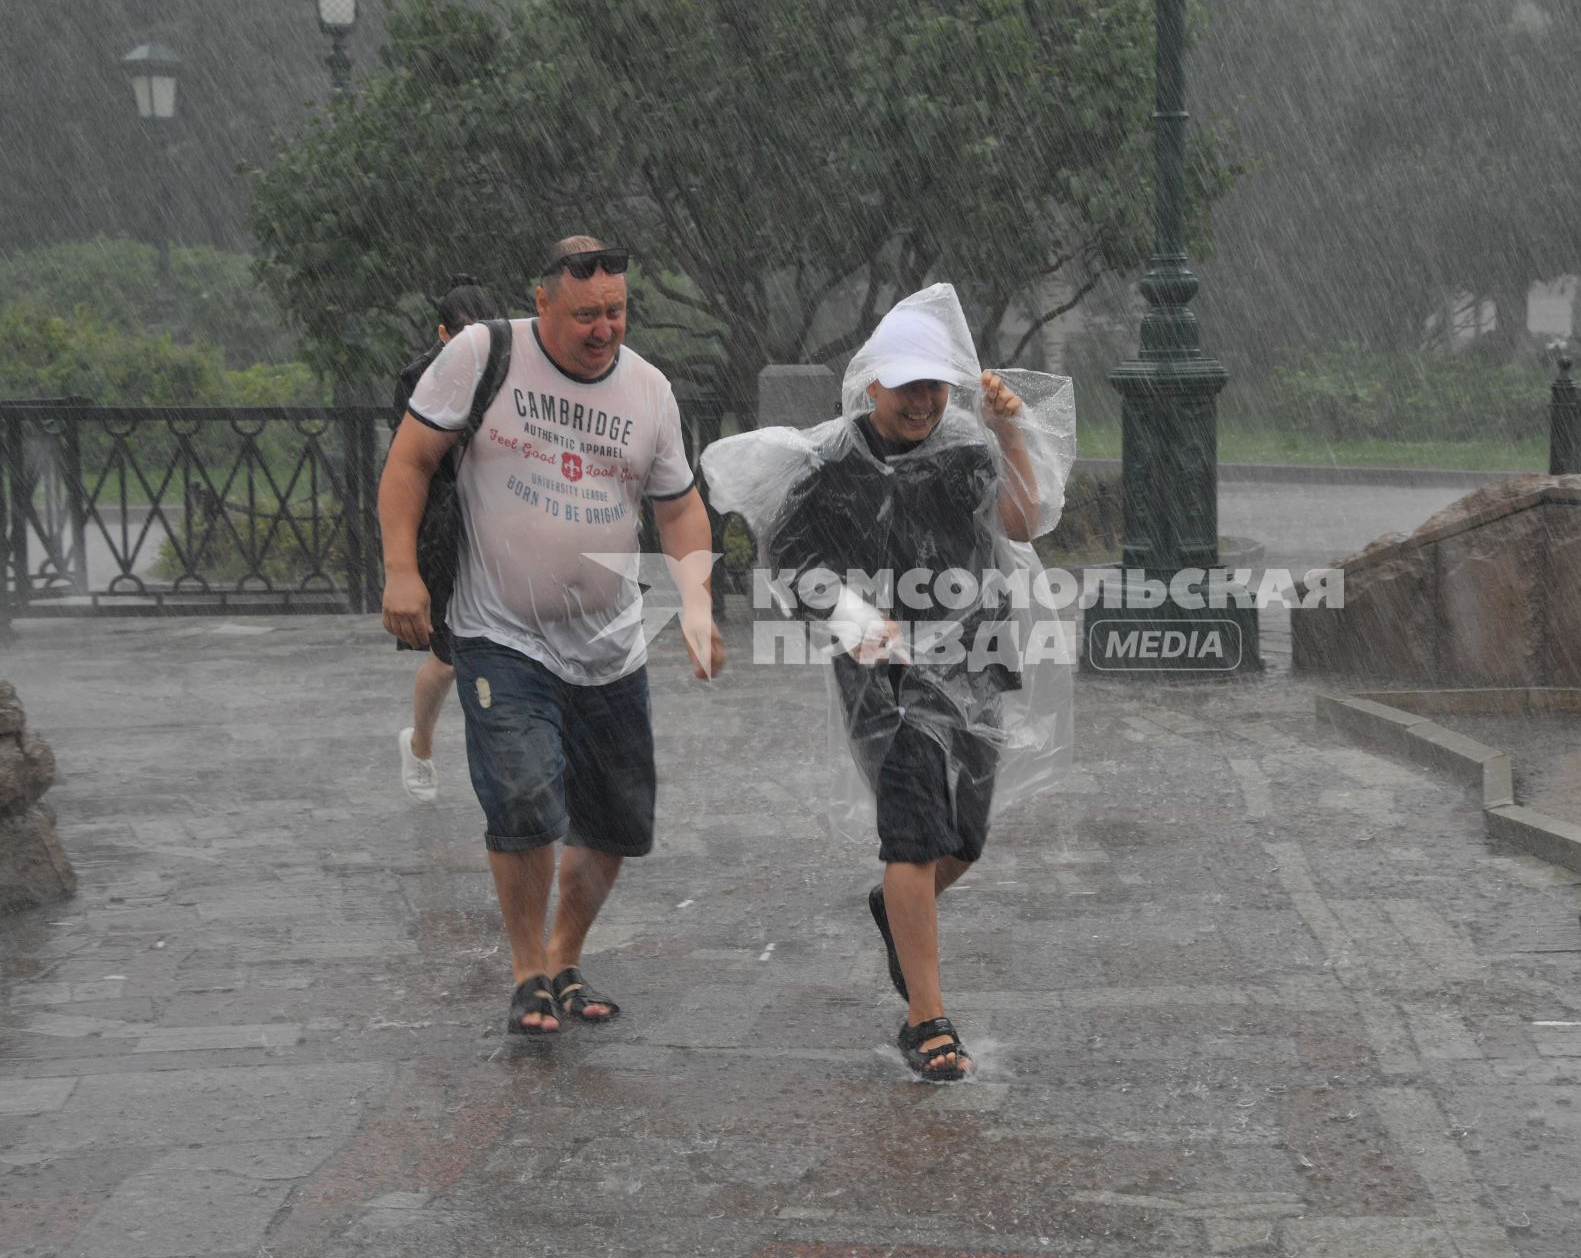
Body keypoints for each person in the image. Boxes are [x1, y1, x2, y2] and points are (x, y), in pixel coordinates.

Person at [704, 284, 1074, 1080]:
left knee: (963, 840)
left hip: (975, 660)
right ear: (872, 383)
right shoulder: (831, 466)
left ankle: (897, 907)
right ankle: (928, 1018)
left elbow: (1021, 519)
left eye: (937, 385)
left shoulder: (967, 450)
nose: (923, 401)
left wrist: (1010, 429)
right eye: (908, 385)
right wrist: (853, 619)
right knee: (912, 834)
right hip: (884, 675)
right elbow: (791, 563)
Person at [379, 234, 725, 1037]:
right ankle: (527, 970)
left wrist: (698, 603)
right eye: (585, 315)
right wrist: (401, 570)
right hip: (502, 631)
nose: (604, 329)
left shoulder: (650, 391)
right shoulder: (481, 354)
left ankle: (566, 954)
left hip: (611, 642)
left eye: (616, 311)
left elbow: (678, 505)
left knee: (614, 824)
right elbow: (408, 463)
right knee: (526, 799)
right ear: (542, 304)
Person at [391, 275, 500, 805]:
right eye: (463, 337)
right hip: (445, 531)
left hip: (501, 525)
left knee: (514, 650)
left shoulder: (509, 368)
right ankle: (421, 745)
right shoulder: (418, 379)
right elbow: (410, 469)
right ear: (441, 334)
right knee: (450, 656)